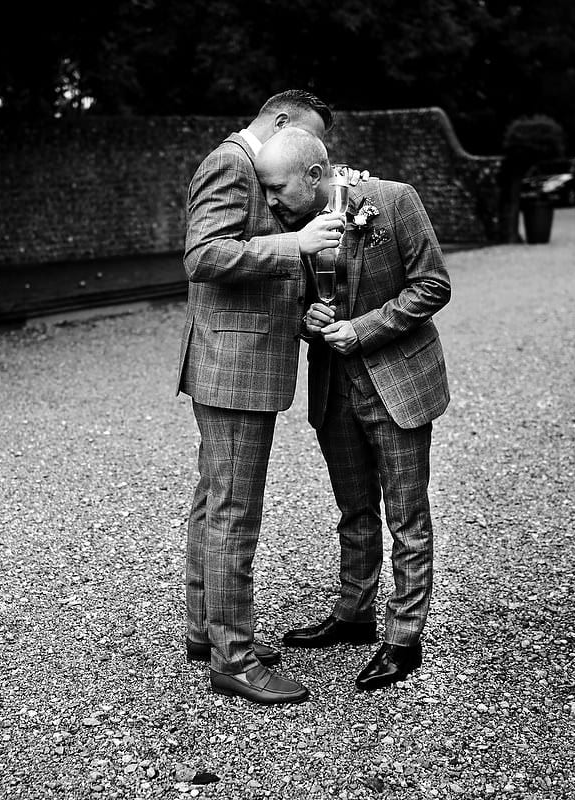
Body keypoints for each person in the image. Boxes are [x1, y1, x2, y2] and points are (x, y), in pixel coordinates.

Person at [254, 127, 451, 692]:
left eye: (276, 188)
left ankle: (404, 638)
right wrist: (308, 322)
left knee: (406, 517)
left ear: (314, 177)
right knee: (354, 510)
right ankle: (355, 614)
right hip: (333, 391)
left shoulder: (392, 201)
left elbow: (433, 285)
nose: (269, 201)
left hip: (397, 385)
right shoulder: (289, 229)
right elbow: (291, 304)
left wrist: (361, 329)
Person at [176, 90, 347, 706]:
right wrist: (295, 246)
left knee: (215, 504)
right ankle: (234, 658)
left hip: (238, 362)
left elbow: (245, 264)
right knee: (233, 513)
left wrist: (302, 308)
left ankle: (207, 632)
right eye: (306, 137)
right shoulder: (232, 164)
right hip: (234, 368)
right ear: (280, 122)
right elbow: (202, 255)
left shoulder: (253, 168)